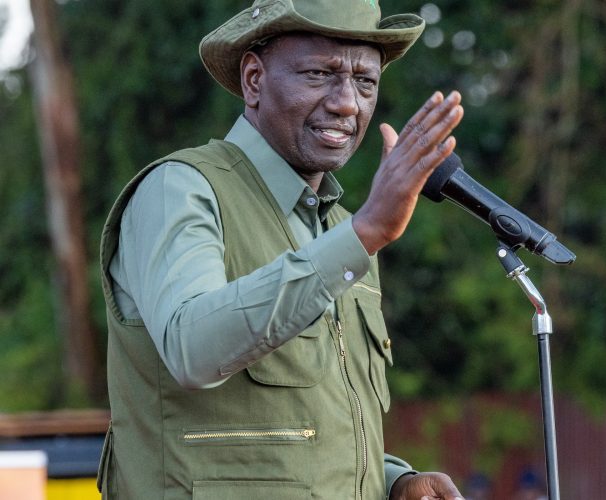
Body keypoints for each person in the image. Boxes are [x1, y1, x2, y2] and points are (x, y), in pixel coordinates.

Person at [96, 0, 464, 498]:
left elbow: (299, 434)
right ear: (253, 80)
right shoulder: (181, 189)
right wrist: (365, 234)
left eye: (365, 82)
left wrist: (394, 481)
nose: (347, 103)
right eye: (319, 74)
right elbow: (192, 349)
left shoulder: (337, 224)